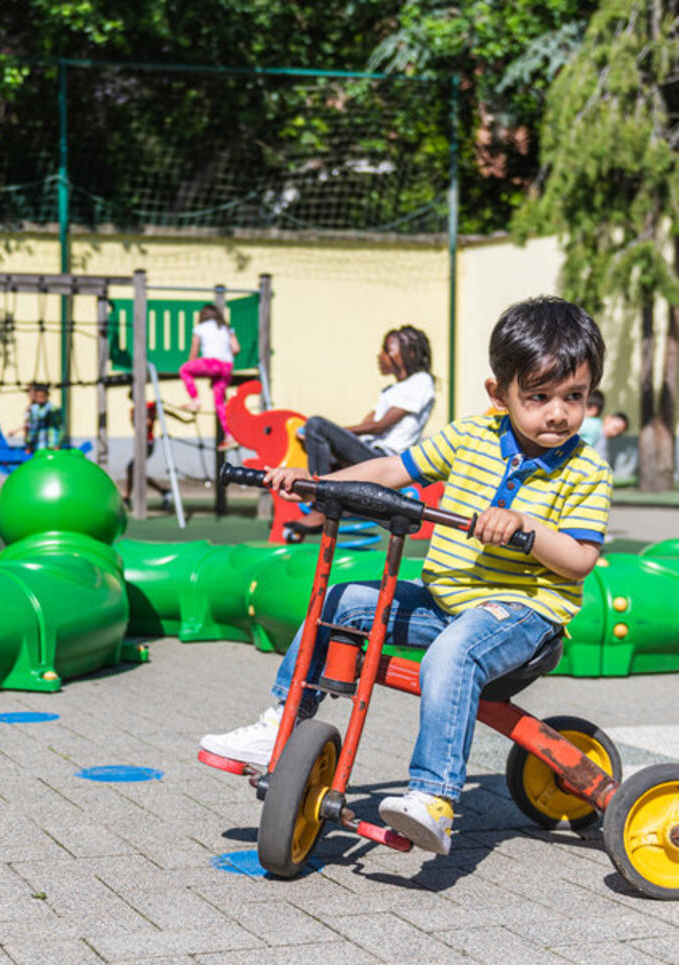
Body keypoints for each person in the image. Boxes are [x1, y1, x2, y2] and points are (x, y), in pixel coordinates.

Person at [199, 296, 612, 856]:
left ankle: (434, 799)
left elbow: (581, 559)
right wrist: (320, 483)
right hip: (446, 603)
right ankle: (282, 723)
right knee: (341, 602)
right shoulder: (471, 435)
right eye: (538, 397)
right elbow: (394, 470)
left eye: (574, 397)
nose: (558, 413)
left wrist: (524, 527)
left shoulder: (587, 470)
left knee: (453, 653)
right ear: (500, 394)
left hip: (523, 614)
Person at [284, 325, 435, 542]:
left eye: (387, 350)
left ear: (408, 353)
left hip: (384, 460)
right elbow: (367, 424)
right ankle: (314, 504)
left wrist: (322, 431)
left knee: (316, 424)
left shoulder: (421, 382)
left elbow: (379, 426)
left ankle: (319, 509)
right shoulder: (390, 391)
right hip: (368, 451)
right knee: (319, 436)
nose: (380, 356)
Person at [178, 304, 240, 450]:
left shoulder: (201, 328)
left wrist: (193, 364)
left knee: (184, 370)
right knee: (219, 402)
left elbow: (194, 352)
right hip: (226, 366)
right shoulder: (226, 328)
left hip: (212, 363)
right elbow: (236, 348)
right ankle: (229, 436)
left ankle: (195, 400)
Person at [11, 382, 62, 453]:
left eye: (42, 396)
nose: (40, 398)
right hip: (37, 445)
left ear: (47, 395)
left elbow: (57, 428)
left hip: (49, 445)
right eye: (38, 396)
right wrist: (29, 444)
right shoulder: (33, 409)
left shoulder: (52, 409)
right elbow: (31, 427)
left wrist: (55, 444)